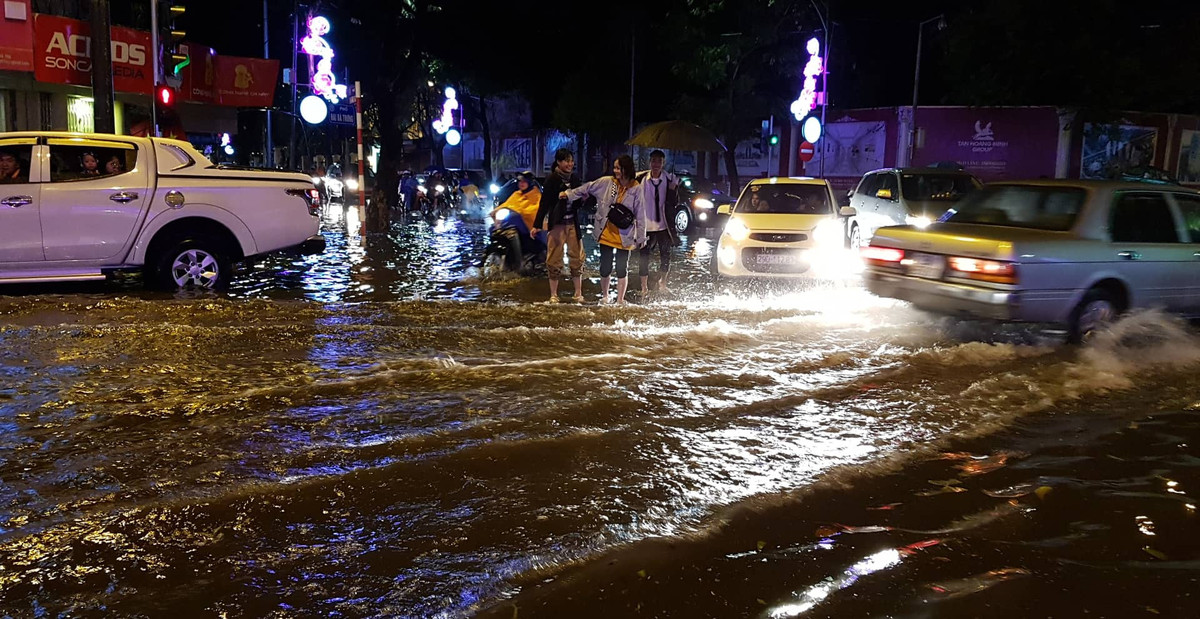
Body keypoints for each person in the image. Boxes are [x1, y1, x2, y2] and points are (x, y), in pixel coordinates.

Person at [563, 154, 646, 305]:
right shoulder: (608, 183)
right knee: (605, 267)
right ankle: (605, 296)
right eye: (614, 168)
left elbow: (641, 214)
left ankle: (620, 300)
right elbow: (587, 187)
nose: (615, 171)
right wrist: (569, 194)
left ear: (626, 169)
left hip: (624, 235)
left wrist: (641, 237)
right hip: (606, 232)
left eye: (618, 168)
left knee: (622, 268)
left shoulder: (636, 188)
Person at [533, 149, 586, 303]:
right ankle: (554, 295)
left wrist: (583, 199)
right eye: (566, 161)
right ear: (558, 162)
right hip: (557, 224)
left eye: (571, 161)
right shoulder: (552, 179)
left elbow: (580, 202)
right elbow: (544, 203)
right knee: (554, 259)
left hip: (573, 223)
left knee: (577, 257)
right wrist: (537, 225)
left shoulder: (575, 179)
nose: (570, 164)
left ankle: (578, 293)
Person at [635, 150, 678, 297]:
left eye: (659, 161)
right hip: (646, 224)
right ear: (649, 162)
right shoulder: (640, 179)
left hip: (663, 225)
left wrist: (672, 189)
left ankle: (663, 282)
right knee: (644, 255)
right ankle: (644, 286)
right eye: (653, 161)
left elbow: (674, 203)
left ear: (663, 163)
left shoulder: (670, 179)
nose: (656, 164)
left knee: (665, 254)